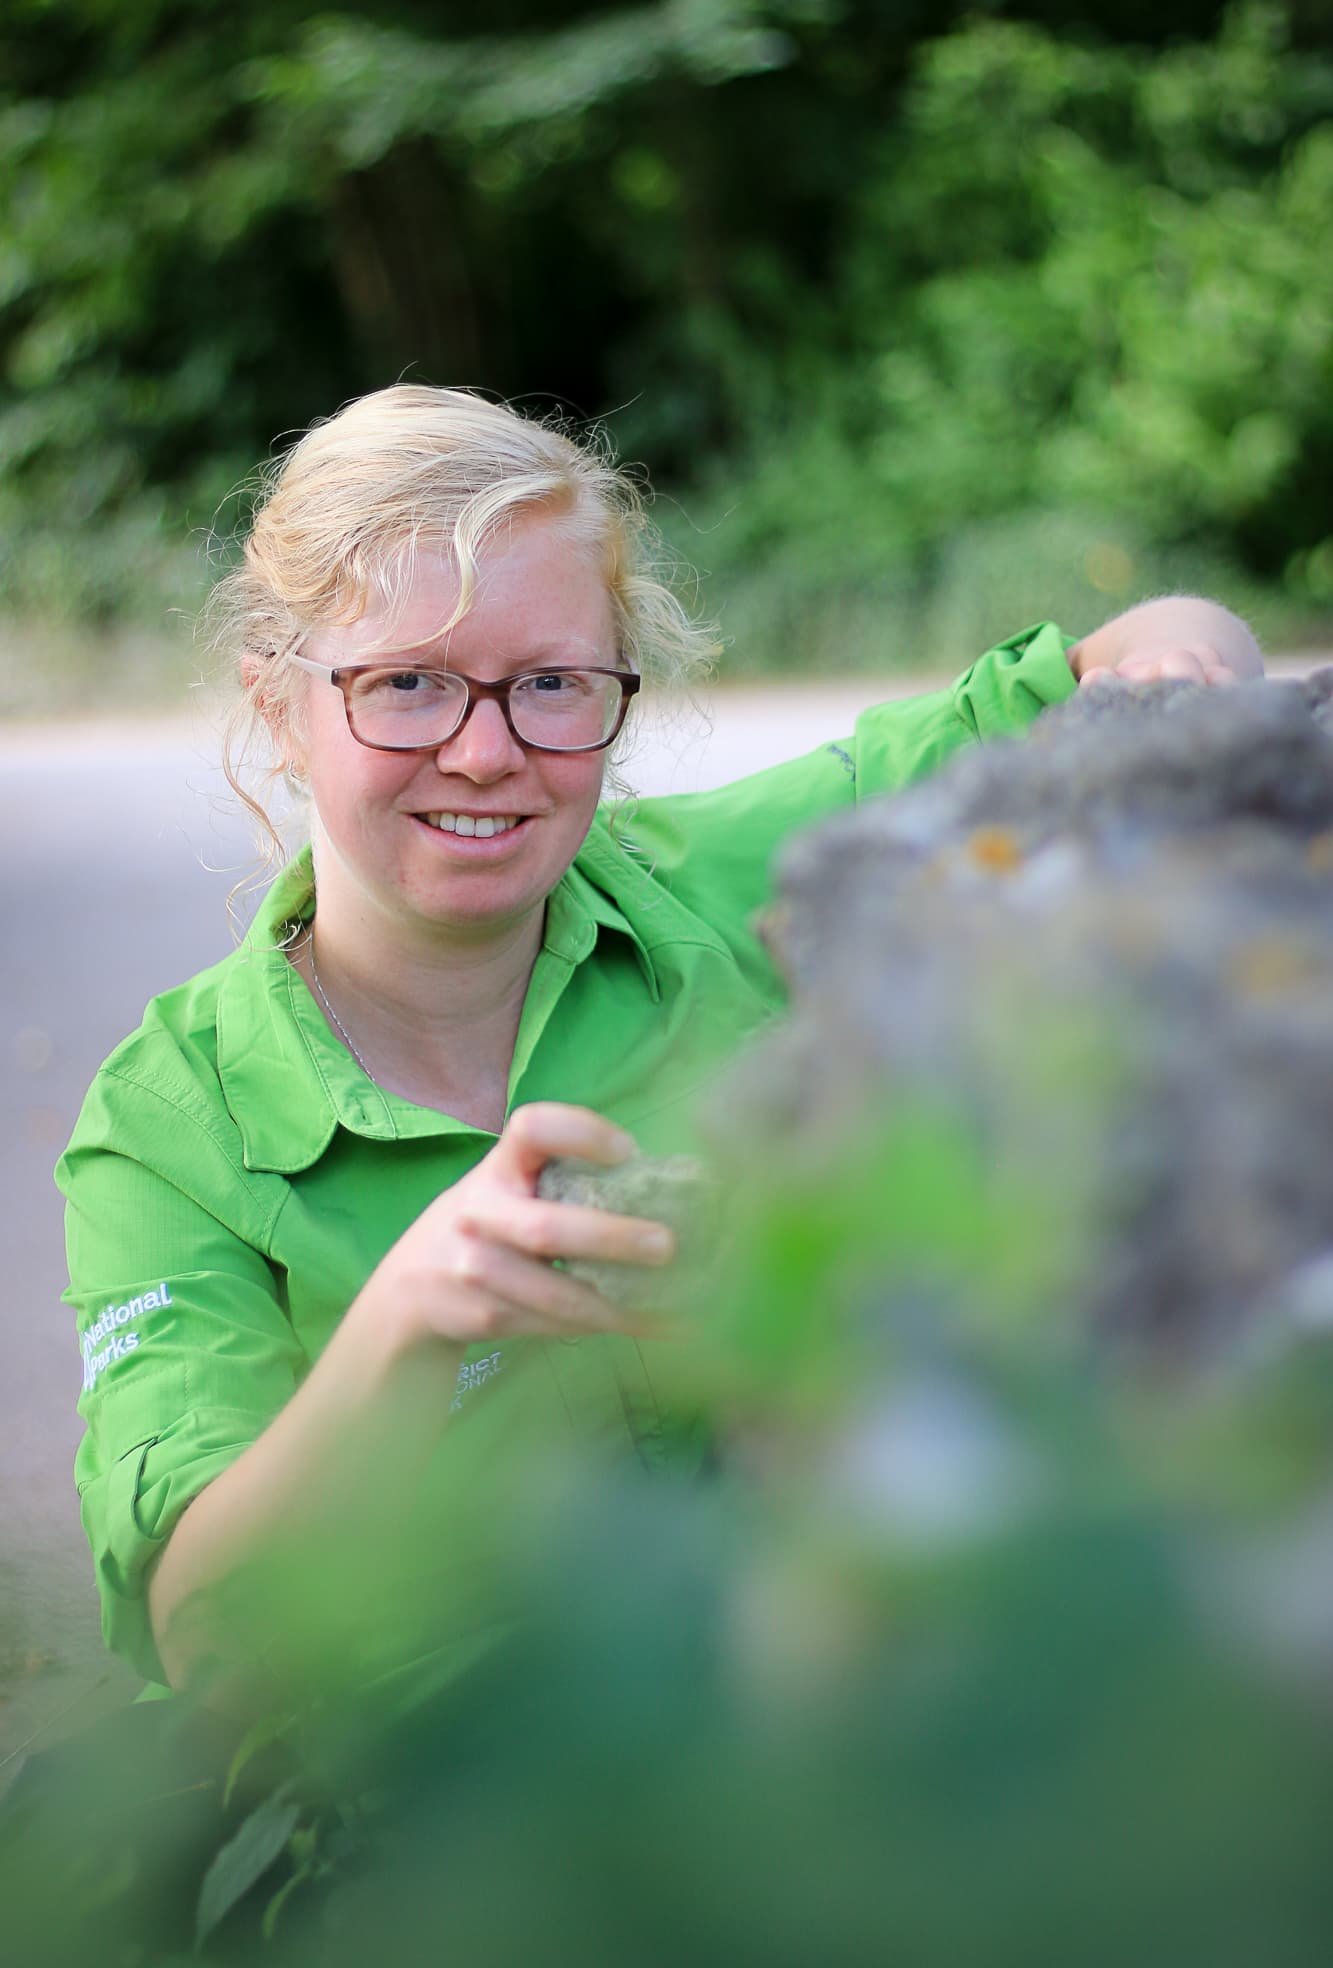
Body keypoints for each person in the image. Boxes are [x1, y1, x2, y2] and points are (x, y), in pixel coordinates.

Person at [57, 385, 1263, 1705]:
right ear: (280, 705)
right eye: (405, 685)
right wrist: (411, 1319)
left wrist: (1178, 678)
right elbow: (209, 1640)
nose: (482, 752)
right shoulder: (165, 1131)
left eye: (550, 686)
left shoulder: (740, 871)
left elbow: (1138, 647)